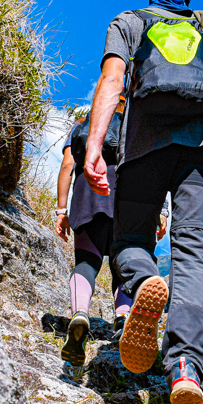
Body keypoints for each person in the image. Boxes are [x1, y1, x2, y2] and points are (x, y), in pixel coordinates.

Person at [82, 0, 203, 404]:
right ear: (185, 0)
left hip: (142, 148)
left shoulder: (129, 21)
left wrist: (94, 147)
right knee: (194, 250)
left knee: (131, 240)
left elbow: (113, 79)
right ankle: (186, 368)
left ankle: (143, 285)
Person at [51, 103, 167, 366]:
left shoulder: (83, 125)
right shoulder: (133, 122)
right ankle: (123, 318)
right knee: (122, 264)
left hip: (87, 192)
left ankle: (80, 313)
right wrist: (161, 210)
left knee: (86, 262)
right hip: (126, 196)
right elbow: (152, 166)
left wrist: (61, 210)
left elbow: (67, 165)